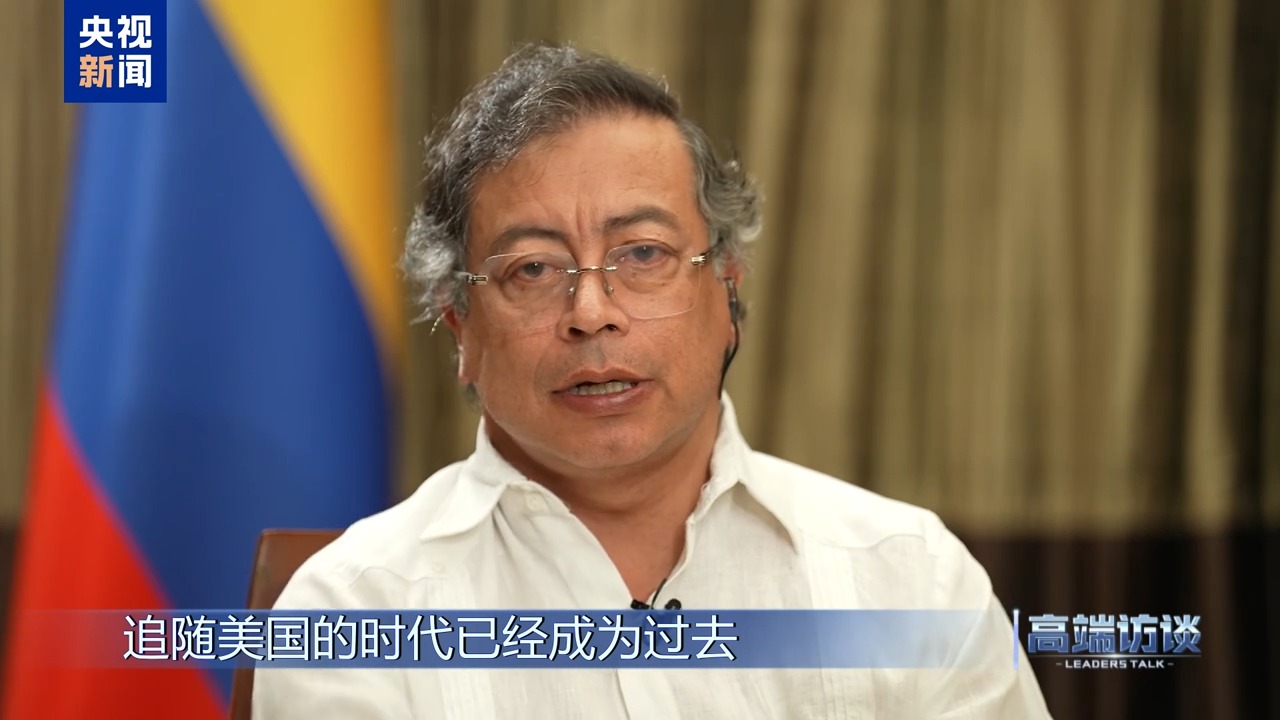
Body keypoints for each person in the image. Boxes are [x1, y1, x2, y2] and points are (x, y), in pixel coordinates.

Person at [253, 43, 1052, 718]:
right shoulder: (353, 614)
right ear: (459, 325)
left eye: (642, 254)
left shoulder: (909, 578)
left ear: (727, 289)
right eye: (533, 268)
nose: (591, 313)